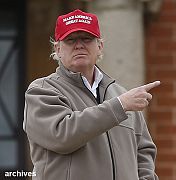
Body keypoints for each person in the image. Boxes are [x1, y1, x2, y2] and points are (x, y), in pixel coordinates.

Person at [23, 9, 160, 180]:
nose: (79, 45)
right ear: (57, 49)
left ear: (100, 46)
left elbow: (143, 150)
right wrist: (119, 106)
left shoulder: (121, 94)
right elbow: (62, 135)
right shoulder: (42, 90)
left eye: (87, 39)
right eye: (70, 40)